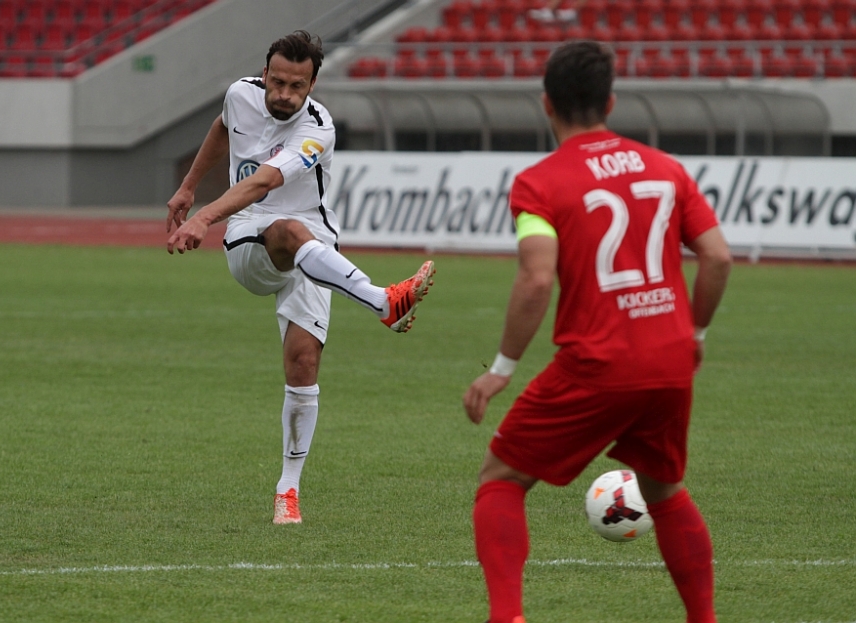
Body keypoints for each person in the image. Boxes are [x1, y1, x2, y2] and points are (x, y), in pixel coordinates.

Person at [463, 41, 732, 623]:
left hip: (599, 360)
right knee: (663, 490)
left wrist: (500, 369)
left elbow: (537, 278)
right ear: (610, 101)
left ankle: (506, 617)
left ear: (546, 104)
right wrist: (696, 334)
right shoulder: (667, 168)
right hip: (670, 360)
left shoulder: (539, 184)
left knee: (501, 477)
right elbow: (717, 257)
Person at [166, 30, 436, 525]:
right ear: (265, 74)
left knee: (303, 362)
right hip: (251, 237)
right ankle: (382, 302)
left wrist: (203, 215)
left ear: (312, 85)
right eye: (278, 82)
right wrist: (189, 190)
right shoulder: (240, 94)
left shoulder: (318, 128)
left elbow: (266, 179)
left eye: (297, 86)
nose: (285, 94)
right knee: (288, 230)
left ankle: (287, 491)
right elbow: (223, 128)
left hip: (313, 247)